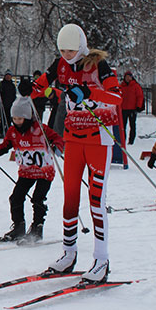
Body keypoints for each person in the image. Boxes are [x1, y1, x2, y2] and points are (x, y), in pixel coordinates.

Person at [31, 24, 122, 283]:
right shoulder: (60, 65)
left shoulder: (98, 66)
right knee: (70, 197)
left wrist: (89, 91)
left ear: (81, 46)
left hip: (98, 141)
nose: (67, 55)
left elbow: (116, 98)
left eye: (71, 50)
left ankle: (101, 260)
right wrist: (31, 88)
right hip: (73, 139)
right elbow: (43, 86)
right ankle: (69, 254)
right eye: (62, 50)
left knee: (96, 199)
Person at [0, 96, 64, 244]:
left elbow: (57, 138)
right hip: (26, 172)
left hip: (44, 172)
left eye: (20, 118)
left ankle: (37, 227)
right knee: (16, 197)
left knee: (38, 198)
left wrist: (57, 146)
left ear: (27, 117)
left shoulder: (40, 129)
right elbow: (4, 147)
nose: (17, 122)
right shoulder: (13, 132)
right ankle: (19, 227)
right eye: (14, 118)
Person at [119, 70, 144, 145]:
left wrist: (138, 106)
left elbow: (140, 96)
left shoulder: (135, 86)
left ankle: (131, 140)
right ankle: (123, 139)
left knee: (132, 125)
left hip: (132, 109)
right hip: (123, 109)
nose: (128, 78)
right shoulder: (121, 86)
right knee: (123, 126)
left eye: (129, 77)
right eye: (126, 77)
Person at [0, 70, 17, 137]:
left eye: (9, 76)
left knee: (9, 119)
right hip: (3, 104)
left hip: (10, 104)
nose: (8, 77)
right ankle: (0, 131)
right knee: (3, 118)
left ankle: (8, 131)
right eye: (7, 76)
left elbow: (14, 95)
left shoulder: (12, 85)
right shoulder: (2, 84)